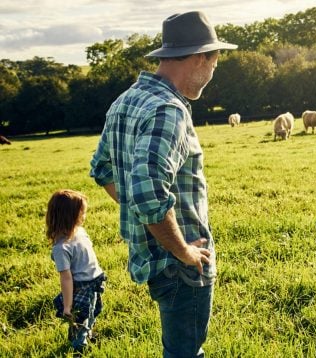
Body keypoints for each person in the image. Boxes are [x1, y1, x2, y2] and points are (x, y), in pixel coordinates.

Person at [89, 11, 237, 357]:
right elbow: (147, 192)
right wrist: (182, 249)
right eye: (215, 63)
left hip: (152, 259)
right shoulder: (168, 109)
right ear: (202, 58)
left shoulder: (126, 100)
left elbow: (103, 171)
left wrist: (146, 222)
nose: (212, 74)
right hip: (180, 266)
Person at [47, 189, 106, 352]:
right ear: (69, 215)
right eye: (82, 212)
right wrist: (67, 306)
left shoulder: (79, 231)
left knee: (94, 311)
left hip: (95, 282)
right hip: (81, 286)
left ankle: (88, 333)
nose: (84, 216)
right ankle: (79, 348)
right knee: (81, 319)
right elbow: (66, 278)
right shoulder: (61, 248)